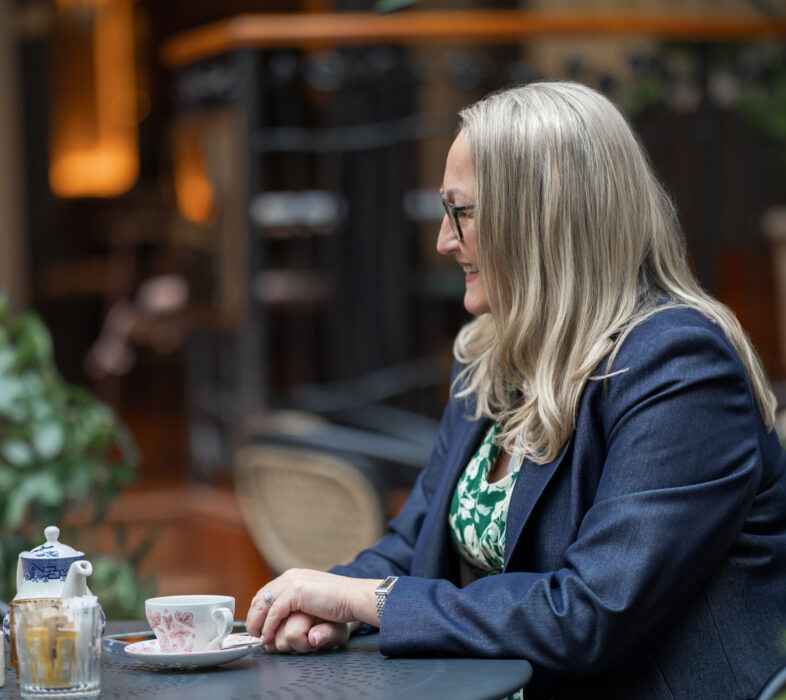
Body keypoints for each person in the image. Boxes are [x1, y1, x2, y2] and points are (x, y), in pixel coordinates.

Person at [245, 81, 786, 699]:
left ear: (542, 217)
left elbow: (589, 615)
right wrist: (323, 600)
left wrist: (373, 602)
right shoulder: (493, 354)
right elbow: (414, 542)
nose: (444, 241)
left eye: (461, 212)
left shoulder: (679, 368)